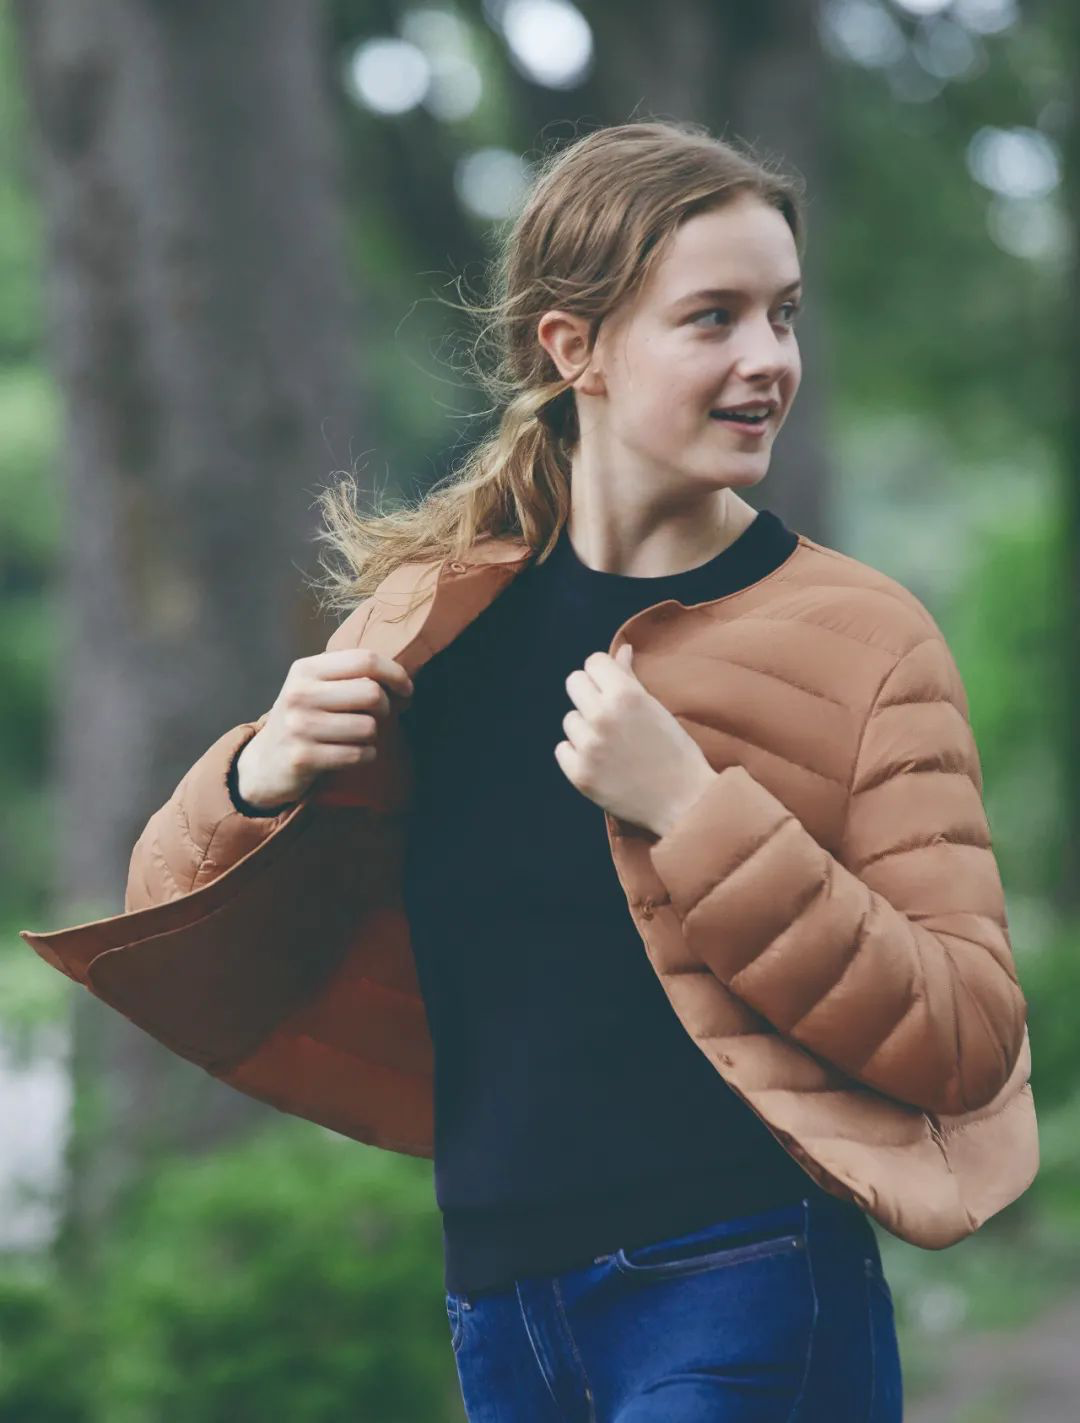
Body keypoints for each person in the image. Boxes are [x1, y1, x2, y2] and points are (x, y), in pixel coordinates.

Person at [22, 120, 1037, 1423]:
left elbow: (968, 1035)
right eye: (714, 317)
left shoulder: (866, 638)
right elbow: (173, 922)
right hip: (502, 1315)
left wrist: (695, 814)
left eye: (783, 313)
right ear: (575, 348)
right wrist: (253, 777)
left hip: (750, 1285)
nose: (770, 358)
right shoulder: (428, 620)